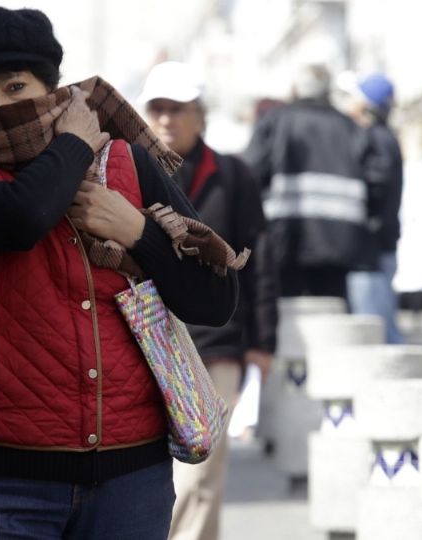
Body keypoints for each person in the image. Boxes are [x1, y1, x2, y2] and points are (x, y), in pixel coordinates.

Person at [0, 7, 241, 538]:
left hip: (131, 479)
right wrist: (76, 142)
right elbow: (25, 215)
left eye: (16, 86)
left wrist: (138, 232)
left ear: (51, 88)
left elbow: (214, 299)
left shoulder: (130, 167)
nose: (2, 108)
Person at [139, 61, 277, 540]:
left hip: (218, 345)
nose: (166, 120)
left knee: (200, 474)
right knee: (149, 474)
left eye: (178, 109)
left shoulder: (234, 176)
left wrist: (262, 343)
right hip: (146, 342)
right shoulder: (127, 172)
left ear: (200, 116)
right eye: (157, 109)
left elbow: (259, 264)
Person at [243, 64, 379, 301]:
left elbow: (251, 171)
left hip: (285, 237)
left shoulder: (275, 121)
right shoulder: (350, 127)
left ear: (296, 88)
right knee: (333, 309)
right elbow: (377, 180)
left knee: (288, 313)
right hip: (340, 239)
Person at [341, 73, 404, 343]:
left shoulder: (376, 139)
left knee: (377, 331)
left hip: (373, 249)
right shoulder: (382, 138)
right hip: (378, 246)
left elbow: (376, 188)